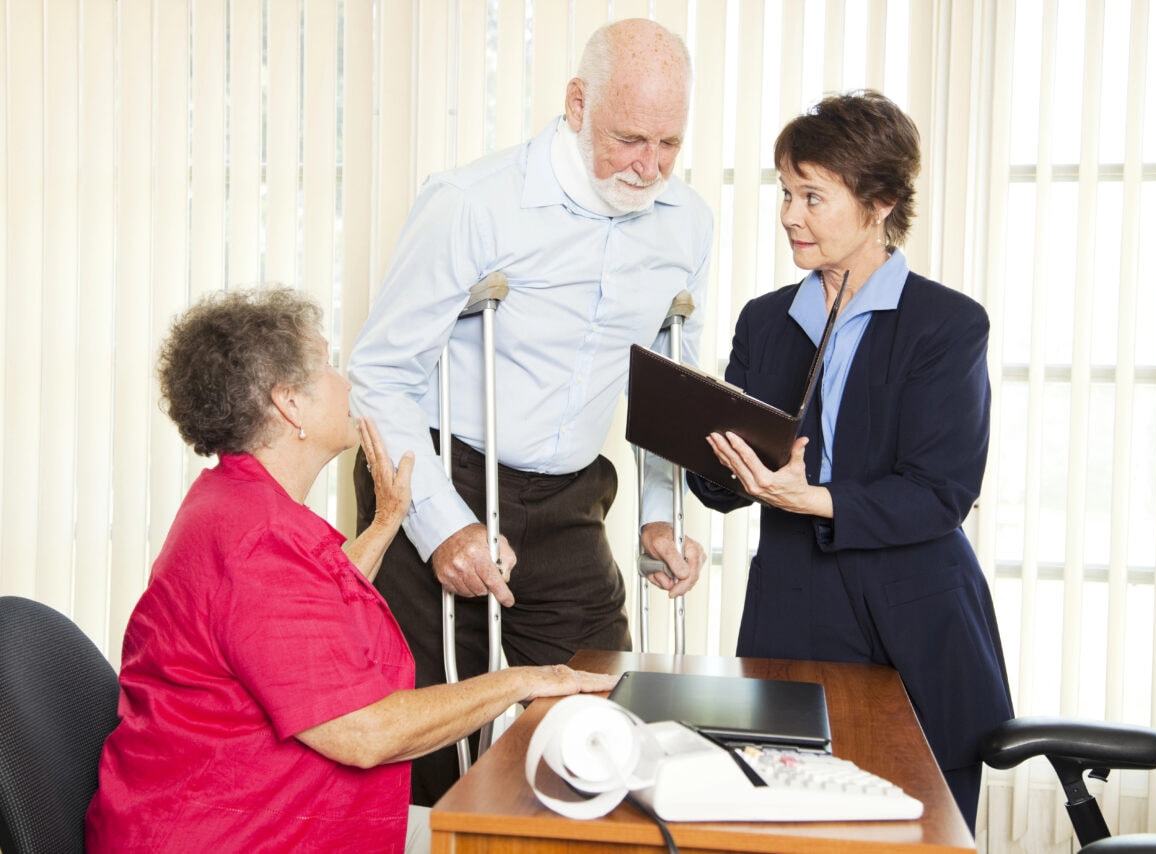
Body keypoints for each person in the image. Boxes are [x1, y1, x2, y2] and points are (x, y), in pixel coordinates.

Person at [84, 289, 617, 853]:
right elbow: (366, 732)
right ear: (289, 403)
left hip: (257, 815)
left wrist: (387, 522)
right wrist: (528, 679)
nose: (348, 383)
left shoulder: (236, 502)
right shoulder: (255, 541)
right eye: (329, 366)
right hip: (229, 835)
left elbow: (304, 616)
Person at [348, 18, 712, 805]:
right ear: (577, 103)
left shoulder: (685, 223)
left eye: (669, 145)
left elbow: (668, 383)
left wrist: (659, 513)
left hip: (569, 494)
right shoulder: (473, 204)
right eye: (629, 139)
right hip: (442, 472)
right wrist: (442, 524)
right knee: (429, 736)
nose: (648, 167)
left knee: (598, 723)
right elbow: (379, 373)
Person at [687, 90, 1012, 830]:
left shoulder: (948, 325)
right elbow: (729, 486)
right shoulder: (767, 321)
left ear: (880, 203)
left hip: (913, 626)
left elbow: (940, 492)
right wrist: (702, 445)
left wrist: (816, 499)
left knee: (919, 836)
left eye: (812, 195)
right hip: (791, 620)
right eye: (785, 192)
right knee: (782, 831)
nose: (789, 215)